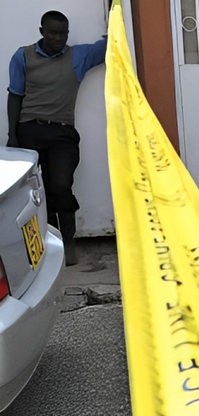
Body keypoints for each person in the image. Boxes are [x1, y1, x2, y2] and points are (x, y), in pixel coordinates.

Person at [6, 10, 107, 266]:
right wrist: (13, 136)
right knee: (38, 193)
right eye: (53, 32)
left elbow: (109, 46)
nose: (58, 38)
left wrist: (118, 15)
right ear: (42, 31)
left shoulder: (78, 56)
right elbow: (15, 95)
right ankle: (51, 250)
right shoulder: (23, 56)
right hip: (30, 130)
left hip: (62, 132)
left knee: (61, 185)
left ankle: (69, 244)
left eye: (63, 33)